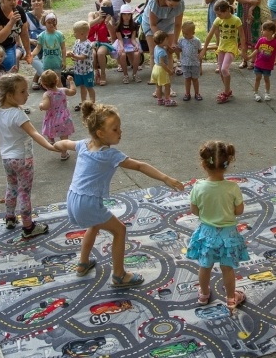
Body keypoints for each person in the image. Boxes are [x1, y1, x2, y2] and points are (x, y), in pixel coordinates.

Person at [53, 101, 184, 287]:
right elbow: (140, 166)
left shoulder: (83, 144)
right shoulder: (110, 155)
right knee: (119, 230)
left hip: (73, 198)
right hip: (88, 202)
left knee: (94, 225)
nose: (120, 132)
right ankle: (119, 275)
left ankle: (83, 264)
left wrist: (55, 145)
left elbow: (65, 142)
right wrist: (165, 178)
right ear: (100, 133)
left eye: (119, 128)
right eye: (115, 129)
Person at [0, 73, 56, 239]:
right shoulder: (18, 114)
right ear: (10, 95)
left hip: (6, 159)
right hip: (23, 160)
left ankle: (10, 217)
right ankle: (28, 227)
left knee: (11, 187)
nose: (27, 94)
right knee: (24, 192)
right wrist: (50, 146)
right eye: (23, 91)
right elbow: (33, 133)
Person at [186, 140, 248, 313]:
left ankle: (204, 294)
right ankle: (230, 298)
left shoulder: (198, 187)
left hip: (207, 234)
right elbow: (239, 210)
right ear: (228, 163)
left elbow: (194, 210)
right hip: (228, 236)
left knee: (205, 266)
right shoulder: (232, 187)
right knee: (227, 269)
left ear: (203, 163)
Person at [201, 0, 241, 104]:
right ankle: (227, 90)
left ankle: (226, 92)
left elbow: (242, 36)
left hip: (231, 47)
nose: (218, 16)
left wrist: (244, 49)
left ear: (227, 10)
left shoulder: (236, 20)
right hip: (222, 47)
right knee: (221, 70)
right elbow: (209, 35)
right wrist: (204, 49)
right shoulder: (218, 20)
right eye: (216, 14)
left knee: (224, 69)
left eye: (219, 14)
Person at [141, 0, 184, 78]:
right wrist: (163, 42)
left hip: (168, 23)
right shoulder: (155, 0)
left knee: (169, 52)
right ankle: (156, 79)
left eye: (176, 5)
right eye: (171, 5)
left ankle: (168, 78)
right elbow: (153, 24)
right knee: (154, 52)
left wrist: (173, 42)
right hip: (151, 24)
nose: (174, 7)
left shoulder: (179, 3)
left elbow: (178, 24)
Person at [248, 21, 276, 102]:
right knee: (257, 78)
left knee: (266, 79)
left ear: (270, 32)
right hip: (258, 64)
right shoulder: (261, 40)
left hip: (267, 66)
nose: (261, 31)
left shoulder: (275, 43)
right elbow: (256, 50)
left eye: (263, 30)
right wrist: (249, 57)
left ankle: (267, 93)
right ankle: (256, 93)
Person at [37, 70, 76, 161]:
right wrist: (71, 81)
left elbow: (46, 106)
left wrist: (41, 105)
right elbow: (73, 91)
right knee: (64, 136)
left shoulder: (47, 94)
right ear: (57, 80)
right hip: (64, 118)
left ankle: (51, 140)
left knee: (50, 129)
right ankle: (63, 153)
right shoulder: (63, 90)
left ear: (43, 84)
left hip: (52, 118)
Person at [234, 0, 264, 67]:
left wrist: (252, 7)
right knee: (242, 34)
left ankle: (253, 60)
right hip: (241, 10)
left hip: (254, 10)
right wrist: (250, 0)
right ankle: (244, 59)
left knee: (254, 34)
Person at [68, 20, 96, 108]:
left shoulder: (88, 44)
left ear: (82, 33)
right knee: (82, 87)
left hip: (87, 70)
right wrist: (71, 55)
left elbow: (83, 56)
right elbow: (75, 53)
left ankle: (92, 102)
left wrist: (74, 56)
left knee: (89, 87)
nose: (74, 34)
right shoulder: (77, 42)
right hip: (78, 70)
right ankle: (83, 101)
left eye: (75, 32)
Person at [88, 0, 115, 85]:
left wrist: (107, 22)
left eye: (108, 6)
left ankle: (103, 74)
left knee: (100, 53)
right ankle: (94, 73)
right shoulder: (92, 14)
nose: (106, 7)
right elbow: (88, 25)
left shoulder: (110, 17)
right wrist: (99, 18)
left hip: (103, 42)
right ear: (100, 5)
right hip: (91, 41)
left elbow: (112, 35)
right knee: (92, 53)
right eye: (104, 5)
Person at [32, 12, 65, 78]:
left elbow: (63, 48)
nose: (51, 25)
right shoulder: (42, 36)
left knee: (58, 80)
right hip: (46, 63)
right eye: (49, 23)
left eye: (53, 22)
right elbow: (38, 47)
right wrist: (32, 54)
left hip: (57, 62)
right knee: (48, 81)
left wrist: (64, 60)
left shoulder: (59, 35)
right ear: (44, 23)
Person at [24, 0, 47, 89]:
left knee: (48, 63)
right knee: (41, 66)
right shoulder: (26, 16)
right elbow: (23, 35)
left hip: (47, 46)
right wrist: (31, 41)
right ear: (30, 3)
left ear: (43, 2)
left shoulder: (49, 15)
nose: (36, 2)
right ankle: (47, 81)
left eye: (38, 0)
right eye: (33, 1)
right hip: (32, 46)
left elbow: (55, 31)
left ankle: (37, 79)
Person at [178, 21, 202, 101]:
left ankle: (197, 93)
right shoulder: (181, 41)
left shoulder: (197, 41)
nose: (184, 35)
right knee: (187, 79)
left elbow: (200, 52)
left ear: (193, 32)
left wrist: (200, 65)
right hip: (185, 63)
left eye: (187, 34)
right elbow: (179, 49)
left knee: (195, 79)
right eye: (183, 33)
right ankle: (187, 93)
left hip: (195, 64)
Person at [151, 30, 175, 106]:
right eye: (166, 39)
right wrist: (169, 71)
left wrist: (167, 46)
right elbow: (162, 63)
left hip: (155, 68)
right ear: (161, 41)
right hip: (161, 70)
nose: (167, 40)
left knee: (158, 86)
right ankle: (167, 100)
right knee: (167, 85)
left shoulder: (156, 47)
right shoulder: (162, 52)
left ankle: (160, 100)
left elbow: (164, 46)